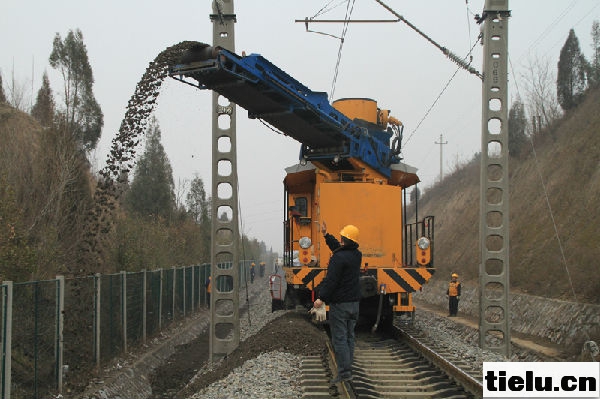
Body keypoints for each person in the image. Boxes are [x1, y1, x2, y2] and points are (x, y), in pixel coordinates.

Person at [311, 221, 361, 384]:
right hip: (354, 304)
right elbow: (340, 251)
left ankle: (345, 373)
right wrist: (326, 235)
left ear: (344, 240)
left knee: (339, 338)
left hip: (340, 305)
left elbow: (331, 281)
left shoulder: (338, 259)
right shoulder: (356, 255)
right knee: (349, 337)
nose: (339, 240)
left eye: (341, 238)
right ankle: (348, 368)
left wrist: (321, 299)